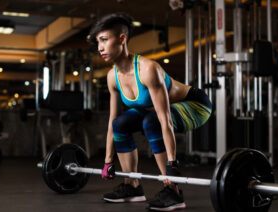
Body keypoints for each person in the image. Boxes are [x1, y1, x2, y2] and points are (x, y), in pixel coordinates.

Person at [88, 13, 212, 211]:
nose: (100, 47)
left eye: (104, 40)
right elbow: (112, 121)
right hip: (158, 112)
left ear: (122, 39)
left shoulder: (147, 69)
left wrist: (172, 163)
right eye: (97, 42)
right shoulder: (112, 77)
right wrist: (107, 161)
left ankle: (173, 191)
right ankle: (132, 187)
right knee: (120, 124)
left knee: (151, 122)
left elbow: (165, 120)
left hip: (196, 105)